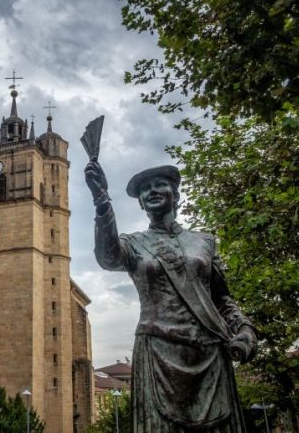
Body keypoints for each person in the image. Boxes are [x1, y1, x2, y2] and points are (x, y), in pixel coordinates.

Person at [85, 162, 257, 432]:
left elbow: (222, 298)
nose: (152, 191)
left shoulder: (204, 242)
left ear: (175, 195)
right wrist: (102, 201)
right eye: (145, 189)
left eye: (159, 185)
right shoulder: (133, 243)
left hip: (210, 351)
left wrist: (244, 328)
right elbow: (108, 257)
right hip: (158, 351)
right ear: (141, 203)